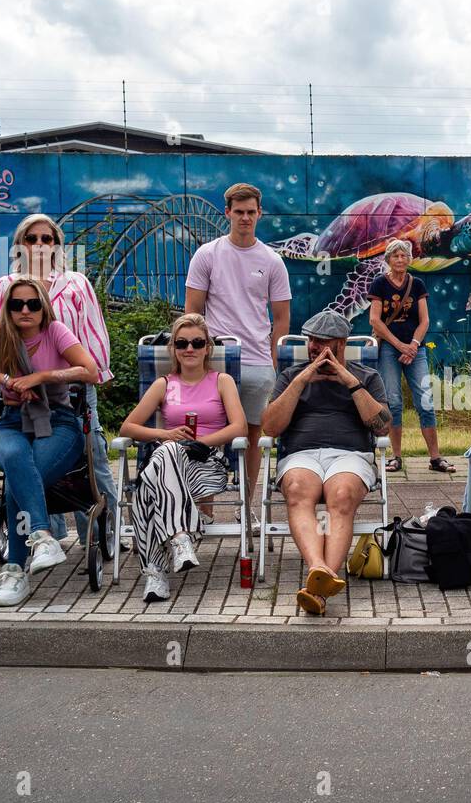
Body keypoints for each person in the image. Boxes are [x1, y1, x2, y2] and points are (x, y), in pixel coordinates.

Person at [0, 279, 100, 607]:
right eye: (17, 305)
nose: (25, 310)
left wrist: (41, 377)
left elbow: (90, 370)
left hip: (57, 421)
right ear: (8, 309)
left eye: (33, 304)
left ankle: (16, 569)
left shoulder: (56, 332)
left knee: (19, 480)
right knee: (14, 456)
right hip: (12, 422)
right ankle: (43, 537)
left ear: (44, 307)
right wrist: (3, 379)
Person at [0, 214, 116, 548]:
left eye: (47, 238)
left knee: (92, 455)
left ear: (57, 245)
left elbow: (93, 332)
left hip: (72, 385)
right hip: (23, 391)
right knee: (34, 453)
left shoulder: (75, 283)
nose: (39, 245)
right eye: (31, 238)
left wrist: (96, 372)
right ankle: (49, 532)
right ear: (19, 245)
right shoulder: (6, 287)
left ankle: (101, 531)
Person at [260, 309, 391, 616]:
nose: (315, 349)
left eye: (322, 343)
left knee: (342, 496)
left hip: (350, 455)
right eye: (312, 342)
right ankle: (319, 570)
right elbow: (270, 427)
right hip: (300, 455)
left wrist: (349, 381)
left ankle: (319, 585)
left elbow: (382, 426)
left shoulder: (367, 376)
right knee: (296, 489)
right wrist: (302, 379)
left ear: (341, 345)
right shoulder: (291, 376)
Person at [119, 314, 247, 603]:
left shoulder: (221, 381)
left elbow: (239, 427)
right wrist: (165, 434)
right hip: (170, 464)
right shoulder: (164, 384)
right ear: (173, 349)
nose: (189, 348)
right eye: (182, 343)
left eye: (197, 342)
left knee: (146, 487)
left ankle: (156, 572)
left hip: (208, 464)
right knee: (165, 455)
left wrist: (199, 442)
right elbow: (128, 427)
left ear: (207, 349)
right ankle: (179, 539)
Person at [185, 182, 291, 506]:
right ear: (227, 212)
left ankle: (247, 508)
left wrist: (274, 362)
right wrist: (198, 358)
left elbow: (282, 319)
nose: (245, 218)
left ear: (260, 213)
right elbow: (192, 312)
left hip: (258, 361)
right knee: (208, 434)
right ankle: (206, 508)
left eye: (251, 212)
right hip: (216, 359)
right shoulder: (207, 254)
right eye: (239, 212)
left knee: (253, 437)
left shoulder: (272, 260)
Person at [367, 238, 455, 474]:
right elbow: (374, 320)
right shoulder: (379, 285)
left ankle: (435, 458)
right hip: (388, 348)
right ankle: (396, 457)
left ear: (409, 259)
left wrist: (413, 345)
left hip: (416, 349)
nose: (400, 259)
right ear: (388, 259)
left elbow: (424, 320)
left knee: (425, 402)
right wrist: (399, 345)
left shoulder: (416, 284)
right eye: (395, 256)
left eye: (403, 255)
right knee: (394, 403)